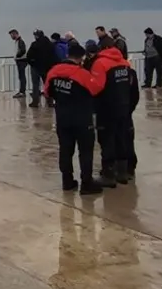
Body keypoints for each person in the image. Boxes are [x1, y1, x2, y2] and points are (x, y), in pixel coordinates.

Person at [45, 44, 106, 195]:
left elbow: (47, 92)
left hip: (62, 118)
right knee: (85, 151)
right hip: (81, 119)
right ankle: (86, 183)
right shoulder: (82, 74)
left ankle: (67, 181)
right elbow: (96, 88)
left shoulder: (53, 72)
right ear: (81, 58)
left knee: (65, 150)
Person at [89, 44, 139, 187]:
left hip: (106, 109)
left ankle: (108, 174)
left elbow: (95, 88)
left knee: (106, 140)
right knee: (122, 138)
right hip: (124, 108)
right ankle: (122, 173)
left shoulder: (100, 63)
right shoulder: (124, 63)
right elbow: (132, 88)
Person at [26, 30, 58, 108]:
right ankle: (50, 101)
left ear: (37, 36)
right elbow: (54, 56)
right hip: (47, 68)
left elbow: (29, 56)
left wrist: (32, 63)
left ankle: (35, 102)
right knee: (47, 84)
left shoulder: (34, 44)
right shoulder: (50, 44)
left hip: (36, 67)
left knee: (36, 85)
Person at [9, 29, 28, 98]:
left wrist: (17, 56)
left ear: (15, 34)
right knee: (21, 77)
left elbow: (23, 50)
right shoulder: (18, 41)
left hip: (21, 61)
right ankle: (21, 91)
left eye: (11, 35)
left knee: (22, 77)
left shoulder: (20, 41)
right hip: (20, 61)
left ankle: (22, 92)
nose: (11, 37)